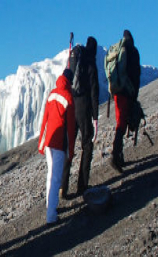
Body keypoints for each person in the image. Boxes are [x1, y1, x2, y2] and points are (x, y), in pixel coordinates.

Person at [63, 36, 100, 199]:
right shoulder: (91, 63)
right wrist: (95, 116)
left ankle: (62, 187)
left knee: (69, 145)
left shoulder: (75, 60)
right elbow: (94, 92)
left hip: (71, 105)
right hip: (84, 106)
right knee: (87, 144)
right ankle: (82, 185)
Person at [38, 69, 77, 223]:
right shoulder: (69, 98)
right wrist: (71, 151)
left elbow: (45, 120)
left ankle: (50, 205)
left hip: (49, 141)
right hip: (59, 144)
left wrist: (42, 143)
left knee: (50, 175)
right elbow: (71, 129)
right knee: (56, 178)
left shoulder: (52, 94)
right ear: (69, 82)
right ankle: (51, 216)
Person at [111, 30, 141, 172]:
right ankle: (115, 157)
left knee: (120, 123)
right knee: (122, 126)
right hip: (127, 92)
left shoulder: (118, 51)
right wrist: (134, 95)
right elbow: (136, 75)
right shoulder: (133, 51)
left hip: (117, 92)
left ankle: (119, 156)